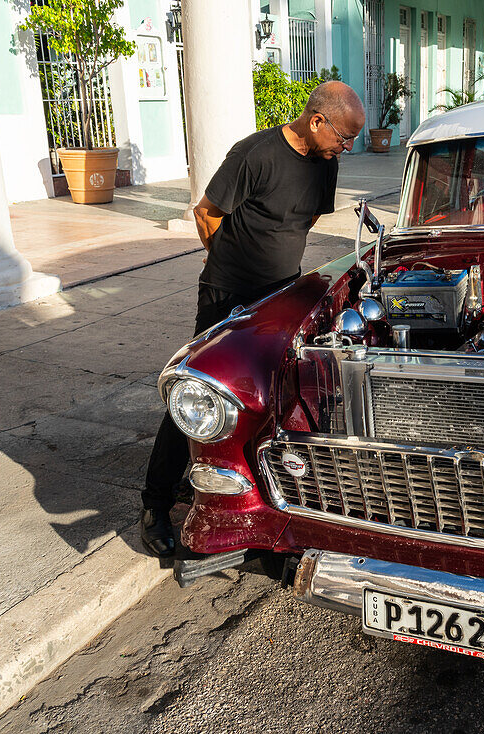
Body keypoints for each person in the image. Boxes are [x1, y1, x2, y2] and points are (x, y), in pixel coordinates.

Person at [140, 81, 366, 557]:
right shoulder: (255, 153)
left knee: (267, 395)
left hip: (280, 295)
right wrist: (225, 263)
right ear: (317, 120)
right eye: (343, 137)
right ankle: (155, 503)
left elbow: (302, 221)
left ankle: (237, 484)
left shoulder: (326, 163)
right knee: (201, 393)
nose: (346, 148)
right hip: (229, 295)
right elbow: (207, 213)